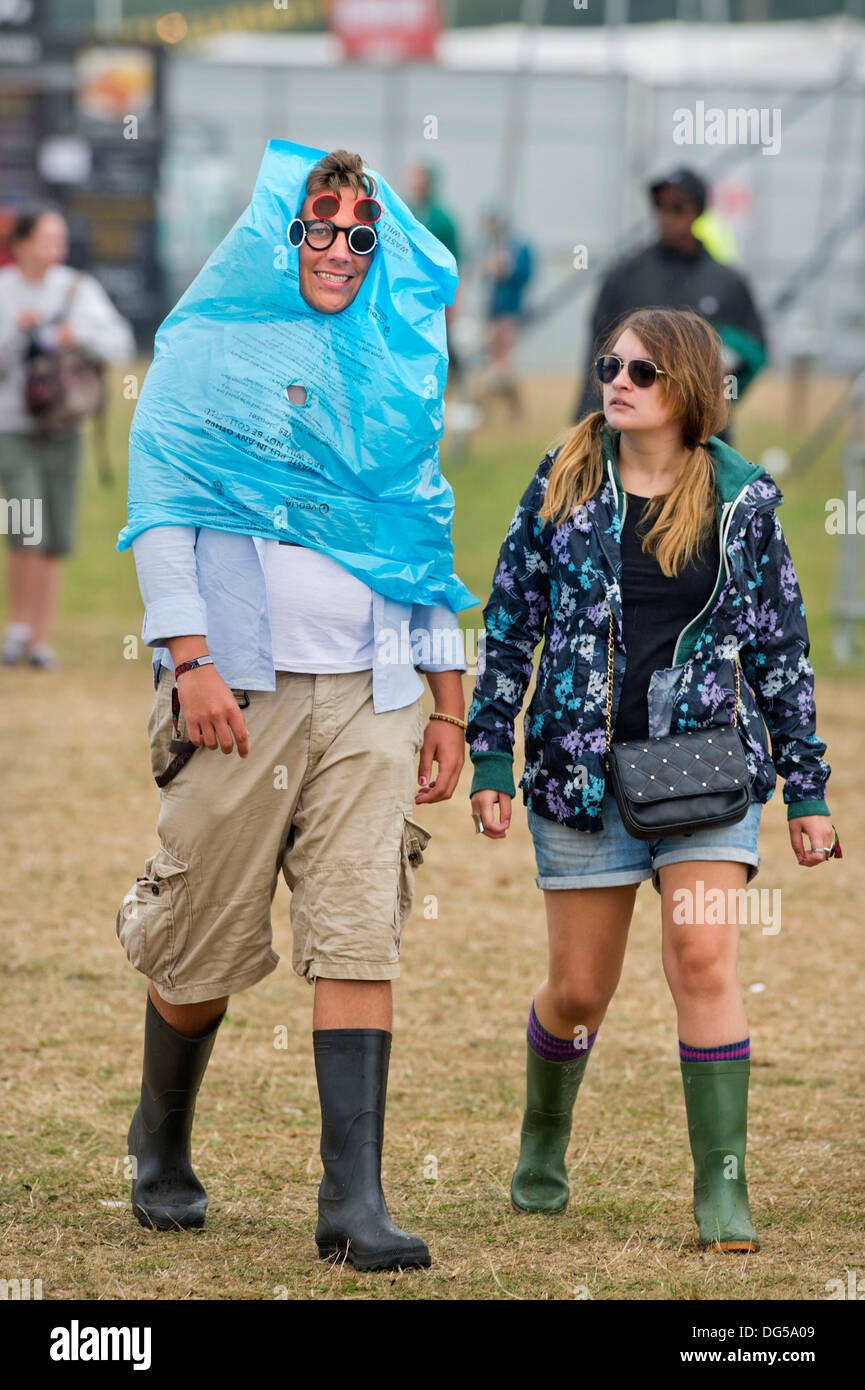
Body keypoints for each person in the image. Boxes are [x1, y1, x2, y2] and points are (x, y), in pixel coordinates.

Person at [117, 148, 469, 1272]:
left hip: (373, 698)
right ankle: (159, 1137)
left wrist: (449, 703)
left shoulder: (393, 371)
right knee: (202, 944)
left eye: (363, 234)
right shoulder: (211, 352)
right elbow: (165, 507)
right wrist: (191, 659)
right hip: (240, 691)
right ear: (284, 234)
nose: (338, 249)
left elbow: (423, 537)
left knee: (361, 926)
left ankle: (351, 1201)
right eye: (320, 226)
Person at [467, 307, 836, 1252]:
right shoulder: (559, 485)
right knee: (580, 993)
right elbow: (509, 628)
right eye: (608, 365)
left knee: (704, 963)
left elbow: (780, 651)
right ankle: (543, 1138)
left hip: (702, 775)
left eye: (641, 370)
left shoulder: (740, 503)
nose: (617, 381)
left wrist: (806, 790)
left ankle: (722, 1192)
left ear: (688, 391)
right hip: (578, 780)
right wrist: (489, 756)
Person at [0, 207, 134, 667]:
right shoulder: (5, 291)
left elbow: (120, 343)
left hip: (63, 426)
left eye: (59, 237)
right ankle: (17, 630)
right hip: (13, 428)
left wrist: (74, 334)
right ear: (19, 245)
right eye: (45, 238)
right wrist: (18, 335)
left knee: (55, 535)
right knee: (24, 530)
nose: (55, 247)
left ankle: (38, 639)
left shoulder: (78, 289)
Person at [572, 168, 767, 433]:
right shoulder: (624, 276)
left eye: (677, 207)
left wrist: (716, 383)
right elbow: (599, 351)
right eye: (660, 206)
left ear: (698, 212)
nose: (666, 216)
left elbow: (753, 350)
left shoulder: (728, 283)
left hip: (699, 432)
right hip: (630, 435)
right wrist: (590, 416)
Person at [405, 162, 463, 386]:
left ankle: (453, 382)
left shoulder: (443, 220)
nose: (415, 184)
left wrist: (455, 298)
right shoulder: (407, 212)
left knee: (443, 337)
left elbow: (456, 262)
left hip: (436, 290)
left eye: (420, 178)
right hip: (412, 290)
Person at [480, 208, 533, 419]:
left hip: (510, 310)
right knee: (494, 359)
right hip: (494, 310)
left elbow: (523, 274)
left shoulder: (519, 247)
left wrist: (506, 269)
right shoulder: (490, 247)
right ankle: (502, 406)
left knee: (504, 360)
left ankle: (509, 406)